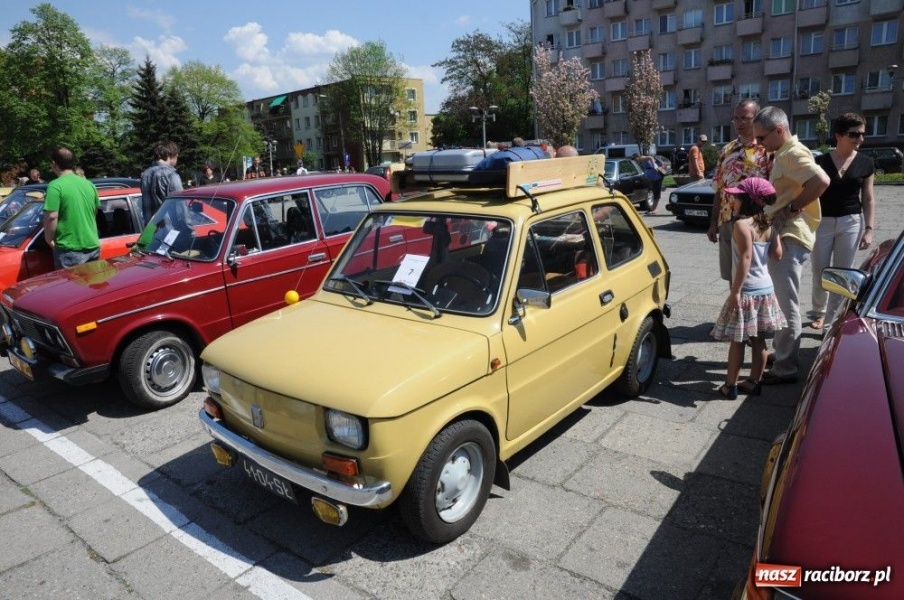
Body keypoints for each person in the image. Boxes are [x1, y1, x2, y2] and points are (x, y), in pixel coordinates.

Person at [753, 106, 830, 385]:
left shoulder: (792, 153)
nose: (759, 143)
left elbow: (821, 180)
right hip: (785, 235)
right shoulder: (785, 153)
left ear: (778, 130)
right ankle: (784, 354)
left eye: (762, 138)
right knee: (782, 300)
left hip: (790, 236)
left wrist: (794, 207)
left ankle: (785, 368)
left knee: (786, 305)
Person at [711, 177, 786, 399]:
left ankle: (730, 386)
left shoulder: (741, 225)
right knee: (759, 339)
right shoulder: (768, 225)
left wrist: (735, 292)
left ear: (748, 200)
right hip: (766, 289)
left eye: (737, 197)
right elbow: (777, 255)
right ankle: (754, 382)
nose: (733, 200)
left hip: (747, 291)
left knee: (738, 340)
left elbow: (745, 258)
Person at [809, 112, 875, 330]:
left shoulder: (866, 163)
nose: (860, 138)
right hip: (822, 222)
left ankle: (832, 321)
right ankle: (819, 311)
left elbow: (868, 197)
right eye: (854, 134)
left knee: (842, 273)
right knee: (820, 269)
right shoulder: (820, 161)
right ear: (839, 135)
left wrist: (869, 229)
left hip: (851, 222)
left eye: (862, 134)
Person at [709, 99, 772, 283]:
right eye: (736, 118)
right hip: (727, 221)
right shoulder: (727, 150)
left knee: (754, 275)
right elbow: (719, 189)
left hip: (755, 222)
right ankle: (734, 302)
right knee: (732, 276)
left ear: (757, 119)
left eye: (745, 118)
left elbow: (773, 189)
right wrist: (713, 223)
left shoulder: (766, 150)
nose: (739, 123)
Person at [42, 147, 101, 269]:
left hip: (69, 248)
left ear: (54, 164)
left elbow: (52, 216)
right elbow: (94, 212)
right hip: (92, 245)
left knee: (71, 282)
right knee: (91, 281)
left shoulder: (55, 186)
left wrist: (48, 239)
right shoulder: (89, 184)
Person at [140, 141, 183, 226]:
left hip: (150, 229)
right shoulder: (171, 175)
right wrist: (188, 229)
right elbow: (180, 206)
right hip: (168, 229)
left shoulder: (146, 174)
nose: (177, 158)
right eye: (176, 155)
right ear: (170, 155)